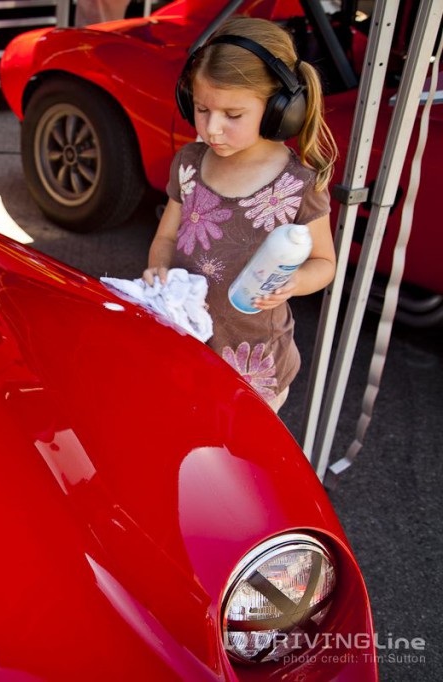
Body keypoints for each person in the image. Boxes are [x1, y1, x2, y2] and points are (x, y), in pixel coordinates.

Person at [142, 16, 338, 412]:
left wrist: (296, 281)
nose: (212, 129)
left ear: (278, 111)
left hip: (253, 366)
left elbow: (325, 263)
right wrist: (157, 271)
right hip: (186, 344)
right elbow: (165, 238)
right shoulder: (190, 162)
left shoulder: (296, 184)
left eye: (233, 115)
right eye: (201, 109)